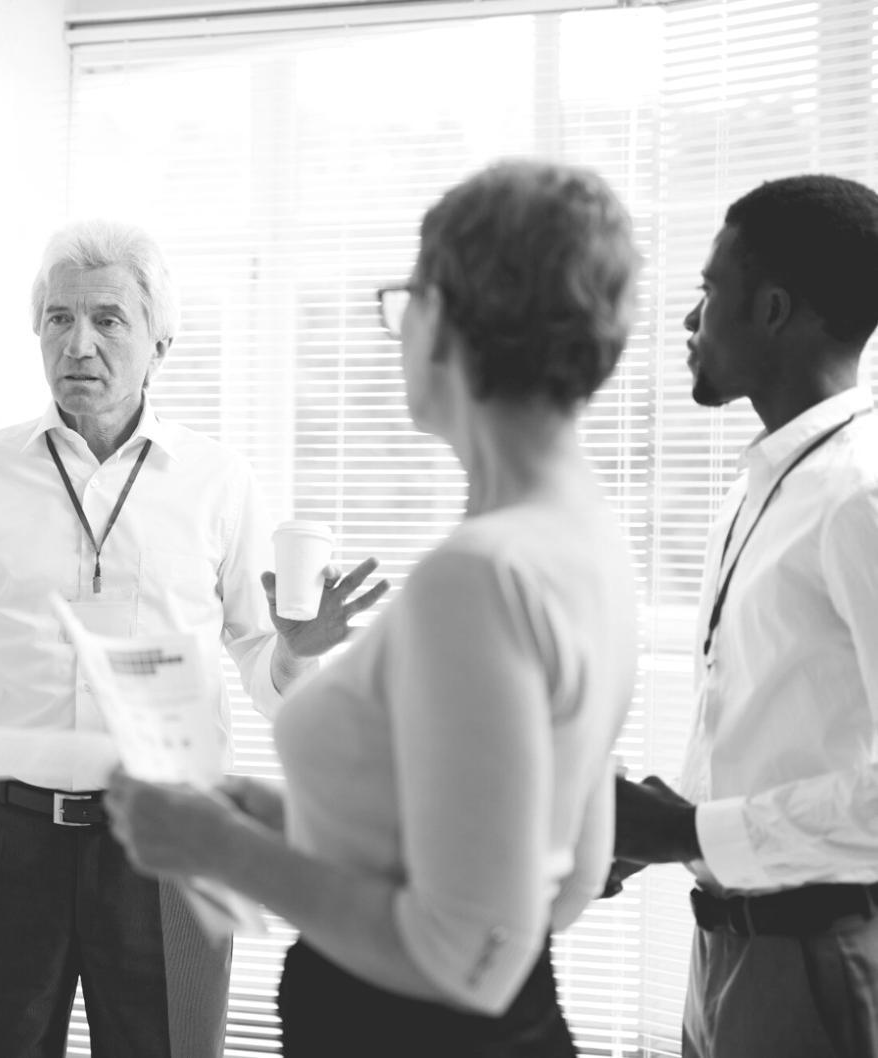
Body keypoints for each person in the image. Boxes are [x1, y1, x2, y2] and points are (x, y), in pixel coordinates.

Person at [0, 218, 386, 1057]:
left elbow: (261, 661)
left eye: (108, 319)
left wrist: (296, 650)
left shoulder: (220, 483)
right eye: (58, 318)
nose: (79, 343)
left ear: (160, 343)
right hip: (3, 835)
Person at [106, 160, 641, 1056]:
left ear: (454, 317)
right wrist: (276, 816)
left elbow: (468, 954)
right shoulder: (587, 534)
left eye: (408, 299)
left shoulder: (478, 577)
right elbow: (566, 877)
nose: (398, 331)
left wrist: (219, 850)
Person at [611, 174, 878, 1058]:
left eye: (708, 290)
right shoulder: (763, 487)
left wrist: (684, 831)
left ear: (771, 309)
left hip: (815, 959)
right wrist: (656, 830)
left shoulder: (860, 495)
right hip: (725, 950)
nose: (691, 321)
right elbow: (784, 728)